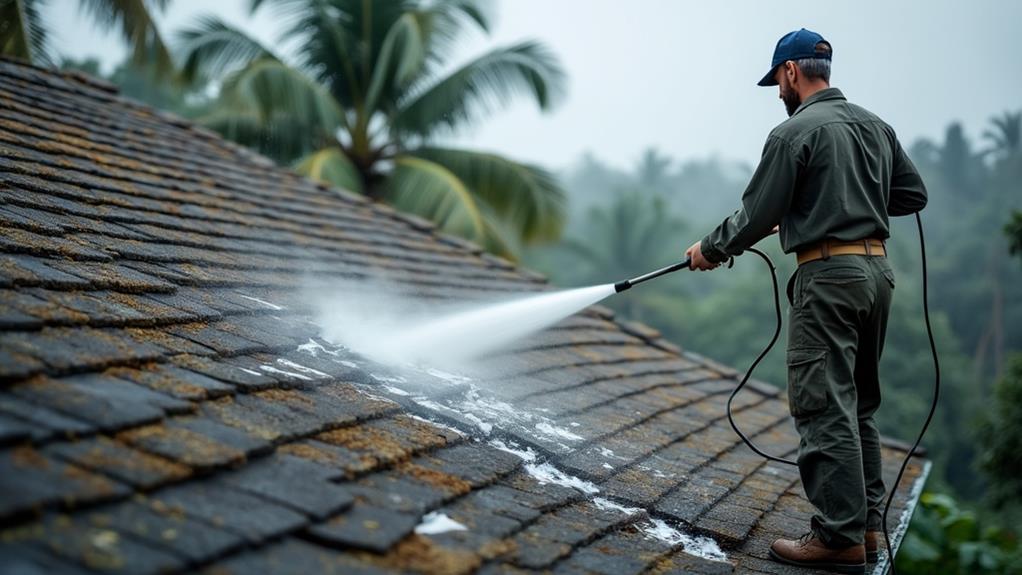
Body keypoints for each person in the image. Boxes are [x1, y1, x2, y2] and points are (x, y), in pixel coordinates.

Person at [684, 28, 928, 574]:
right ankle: (867, 530)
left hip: (829, 277)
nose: (777, 92)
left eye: (777, 81)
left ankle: (837, 537)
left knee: (822, 403)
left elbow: (757, 215)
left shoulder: (794, 133)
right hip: (875, 274)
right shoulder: (875, 124)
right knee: (858, 403)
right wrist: (847, 192)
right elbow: (913, 194)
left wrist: (710, 249)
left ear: (792, 71)